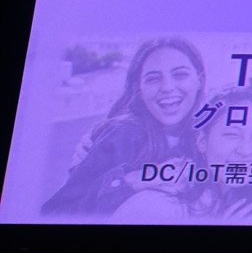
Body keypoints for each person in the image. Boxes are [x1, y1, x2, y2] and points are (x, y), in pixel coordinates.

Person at [42, 37, 207, 216]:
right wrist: (129, 181)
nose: (167, 87)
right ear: (139, 89)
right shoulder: (123, 134)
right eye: (153, 78)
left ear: (199, 80)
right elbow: (56, 212)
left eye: (180, 75)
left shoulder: (208, 136)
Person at [108, 87, 252, 223]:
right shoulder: (157, 205)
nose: (246, 150)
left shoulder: (247, 201)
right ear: (202, 141)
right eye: (232, 135)